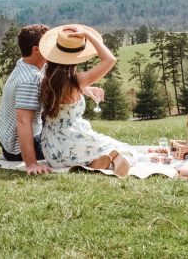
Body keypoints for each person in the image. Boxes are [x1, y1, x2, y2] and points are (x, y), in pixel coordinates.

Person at [38, 24, 136, 176]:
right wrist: (89, 36)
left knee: (101, 147)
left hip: (52, 150)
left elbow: (64, 91)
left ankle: (93, 163)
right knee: (129, 150)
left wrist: (86, 89)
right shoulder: (78, 80)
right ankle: (111, 162)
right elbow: (109, 59)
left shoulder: (47, 77)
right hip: (72, 138)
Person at [0, 24, 52, 175]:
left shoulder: (25, 63)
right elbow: (23, 122)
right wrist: (32, 164)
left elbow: (51, 80)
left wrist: (83, 88)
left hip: (5, 137)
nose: (53, 47)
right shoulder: (30, 79)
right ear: (36, 49)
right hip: (15, 148)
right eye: (49, 44)